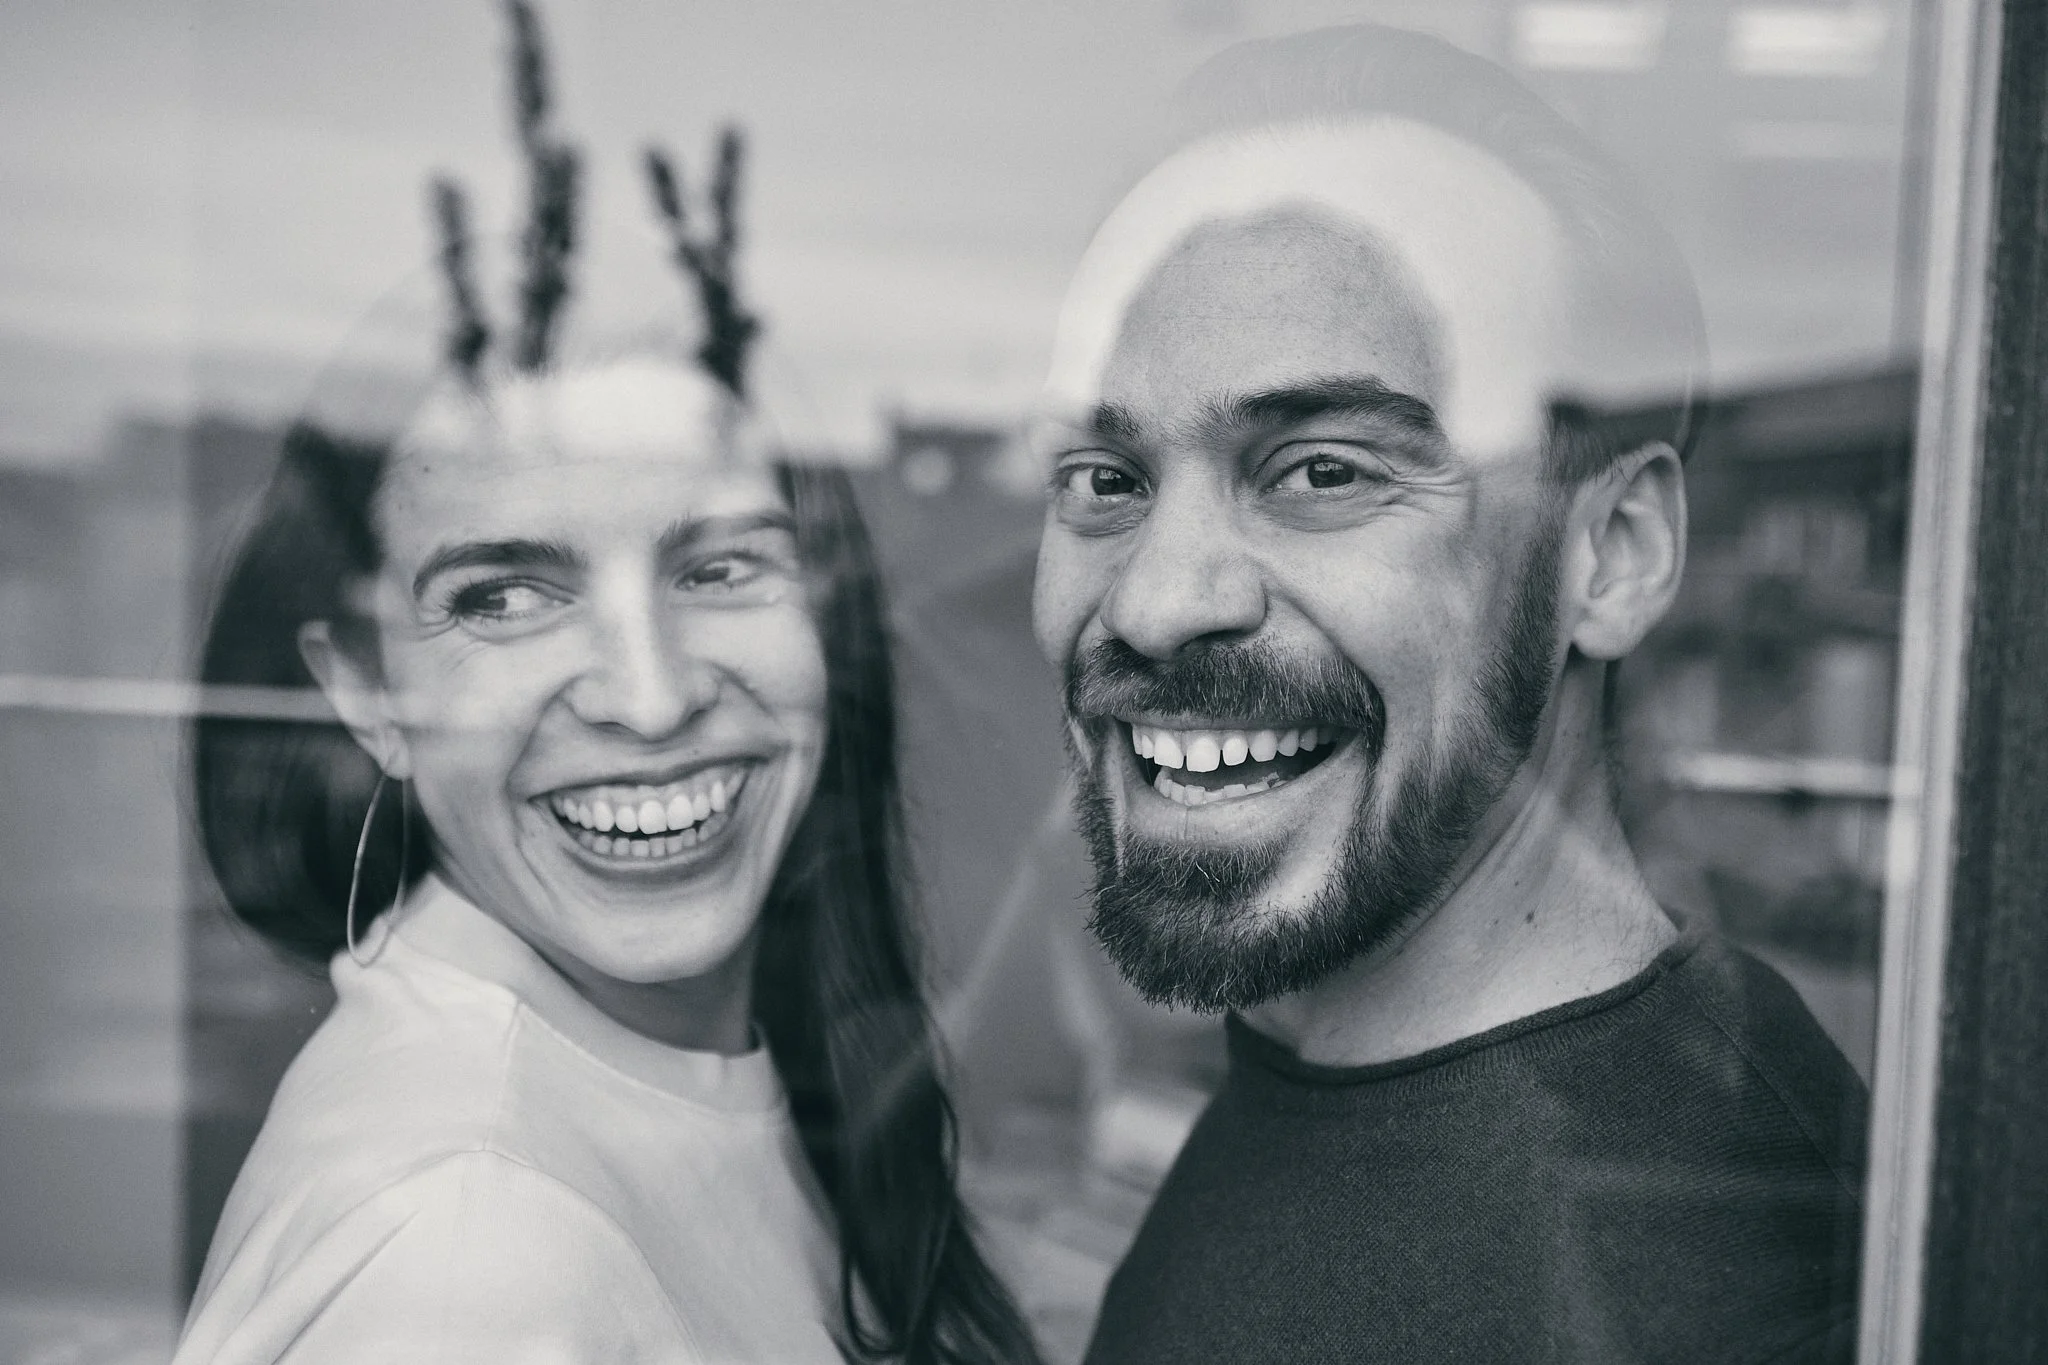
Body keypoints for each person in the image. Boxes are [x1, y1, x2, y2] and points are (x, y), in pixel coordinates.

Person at [1029, 25, 1866, 1365]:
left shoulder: (1723, 1280)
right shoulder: (1337, 1069)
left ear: (1613, 555)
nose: (1156, 601)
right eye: (1106, 482)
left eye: (1326, 471)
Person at [178, 352, 1041, 1364]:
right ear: (368, 692)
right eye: (505, 598)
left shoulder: (695, 1057)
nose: (650, 699)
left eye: (719, 571)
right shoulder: (473, 1252)